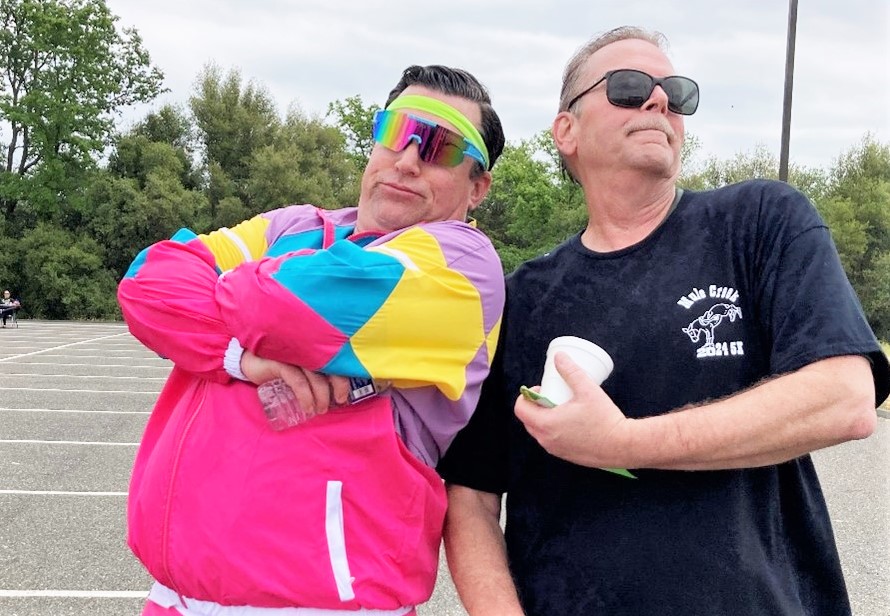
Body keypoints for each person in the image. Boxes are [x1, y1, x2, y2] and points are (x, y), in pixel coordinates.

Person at [438, 26, 890, 616]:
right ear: (566, 131)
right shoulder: (518, 297)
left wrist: (622, 442)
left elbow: (845, 397)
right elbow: (469, 496)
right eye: (627, 87)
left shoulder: (758, 220)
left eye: (675, 93)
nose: (658, 101)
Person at [118, 64, 505, 616]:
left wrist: (225, 290)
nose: (409, 159)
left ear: (477, 186)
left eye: (441, 148)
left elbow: (281, 309)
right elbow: (146, 283)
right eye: (397, 132)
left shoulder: (464, 267)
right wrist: (239, 357)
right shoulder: (297, 224)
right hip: (177, 598)